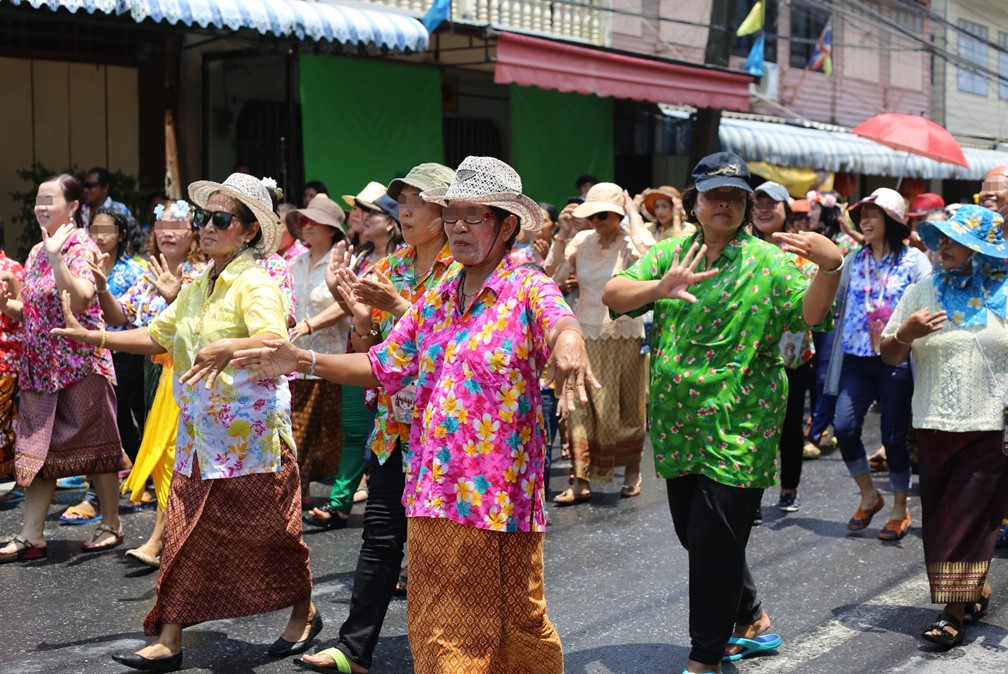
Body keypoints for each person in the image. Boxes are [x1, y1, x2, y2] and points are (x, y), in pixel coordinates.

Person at [233, 155, 598, 674]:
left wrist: (570, 346)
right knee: (440, 633)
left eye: (477, 216)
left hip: (498, 505)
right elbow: (382, 364)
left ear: (508, 224)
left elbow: (561, 322)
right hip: (431, 495)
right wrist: (304, 359)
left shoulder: (526, 287)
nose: (460, 227)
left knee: (519, 627)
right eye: (454, 214)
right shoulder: (439, 296)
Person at [51, 172, 319, 671]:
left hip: (252, 443)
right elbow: (157, 335)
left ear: (248, 232)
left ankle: (304, 611)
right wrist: (94, 339)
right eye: (205, 217)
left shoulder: (256, 282)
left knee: (271, 537)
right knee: (181, 531)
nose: (208, 226)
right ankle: (169, 639)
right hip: (201, 439)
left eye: (222, 219)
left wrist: (230, 347)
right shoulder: (200, 284)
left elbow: (272, 341)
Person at [603, 152, 842, 674]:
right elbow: (615, 296)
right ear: (695, 202)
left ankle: (704, 658)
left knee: (712, 539)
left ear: (748, 205)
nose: (726, 205)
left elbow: (811, 313)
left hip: (741, 423)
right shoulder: (672, 255)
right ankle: (750, 614)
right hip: (677, 422)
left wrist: (830, 265)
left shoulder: (770, 261)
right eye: (715, 196)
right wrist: (658, 288)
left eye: (736, 197)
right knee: (698, 534)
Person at [297, 162, 456, 674]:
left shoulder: (463, 270)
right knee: (381, 538)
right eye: (402, 201)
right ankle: (354, 649)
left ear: (446, 211)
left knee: (440, 550)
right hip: (393, 429)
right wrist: (364, 320)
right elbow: (374, 354)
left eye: (417, 202)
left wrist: (401, 306)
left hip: (449, 438)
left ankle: (446, 653)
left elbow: (459, 347)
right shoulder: (390, 268)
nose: (404, 211)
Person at [880, 204, 1008, 648]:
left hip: (991, 426)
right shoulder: (921, 291)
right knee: (940, 519)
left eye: (956, 240)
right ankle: (973, 591)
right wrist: (906, 334)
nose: (944, 246)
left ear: (983, 248)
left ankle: (952, 613)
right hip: (932, 423)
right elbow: (889, 354)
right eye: (942, 238)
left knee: (969, 519)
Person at [0, 174, 125, 563]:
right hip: (40, 369)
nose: (40, 205)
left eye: (49, 199)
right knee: (37, 451)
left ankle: (111, 525)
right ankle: (31, 535)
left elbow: (85, 299)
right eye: (38, 199)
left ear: (72, 207)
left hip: (80, 366)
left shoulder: (79, 246)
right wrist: (7, 306)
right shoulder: (38, 250)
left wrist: (58, 259)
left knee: (99, 449)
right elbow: (30, 311)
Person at [824, 187, 932, 542]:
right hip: (856, 357)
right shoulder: (853, 260)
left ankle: (900, 507)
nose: (865, 220)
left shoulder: (914, 261)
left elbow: (929, 302)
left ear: (892, 220)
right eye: (862, 214)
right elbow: (832, 298)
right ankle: (870, 495)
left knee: (893, 436)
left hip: (896, 356)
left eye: (873, 214)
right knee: (844, 426)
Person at [108, 200, 207, 566]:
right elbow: (121, 314)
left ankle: (161, 537)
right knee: (168, 461)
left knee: (175, 455)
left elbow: (197, 325)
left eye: (176, 225)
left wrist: (175, 296)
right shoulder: (148, 271)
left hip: (188, 373)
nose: (167, 231)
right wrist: (103, 287)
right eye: (161, 225)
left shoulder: (204, 272)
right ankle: (172, 535)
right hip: (157, 372)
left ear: (193, 232)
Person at [550, 182, 652, 505]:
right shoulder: (580, 241)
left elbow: (651, 257)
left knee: (625, 405)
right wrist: (562, 232)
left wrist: (634, 214)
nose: (596, 221)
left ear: (618, 215)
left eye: (604, 215)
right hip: (584, 334)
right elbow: (550, 276)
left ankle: (633, 471)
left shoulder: (628, 243)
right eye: (590, 215)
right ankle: (580, 480)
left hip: (624, 333)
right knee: (580, 406)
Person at [751, 182, 820, 514]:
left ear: (787, 210)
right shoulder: (739, 249)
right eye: (758, 202)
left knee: (790, 427)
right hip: (746, 355)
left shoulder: (802, 250)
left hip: (793, 357)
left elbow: (812, 300)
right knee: (748, 426)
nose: (764, 209)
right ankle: (748, 497)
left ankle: (789, 488)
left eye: (772, 204)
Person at [288, 195, 350, 503]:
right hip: (297, 357)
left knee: (329, 431)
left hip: (330, 357)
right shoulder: (297, 261)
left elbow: (346, 306)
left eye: (315, 221)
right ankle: (301, 490)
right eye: (305, 220)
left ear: (331, 229)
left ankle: (345, 486)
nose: (307, 225)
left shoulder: (339, 263)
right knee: (298, 428)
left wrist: (310, 324)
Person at [0, 225, 23, 506]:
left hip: (6, 358)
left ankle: (22, 480)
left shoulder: (11, 269)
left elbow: (24, 311)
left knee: (11, 424)